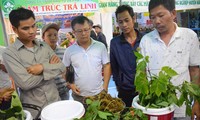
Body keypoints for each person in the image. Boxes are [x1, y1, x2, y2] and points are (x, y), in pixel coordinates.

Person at [139, 0, 200, 119]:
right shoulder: (146, 40)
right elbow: (142, 74)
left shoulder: (189, 36)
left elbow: (195, 71)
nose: (157, 21)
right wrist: (144, 101)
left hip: (182, 105)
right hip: (157, 107)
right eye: (153, 17)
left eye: (161, 15)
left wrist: (197, 102)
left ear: (173, 13)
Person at [2, 7, 65, 118]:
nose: (32, 31)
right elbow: (25, 84)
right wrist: (50, 68)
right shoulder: (10, 53)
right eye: (25, 28)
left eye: (33, 26)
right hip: (34, 110)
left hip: (56, 103)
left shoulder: (44, 46)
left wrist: (42, 67)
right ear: (14, 29)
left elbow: (61, 67)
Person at [62, 16, 111, 105]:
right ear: (74, 32)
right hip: (79, 95)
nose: (84, 33)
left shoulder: (100, 47)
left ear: (90, 29)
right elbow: (64, 69)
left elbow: (107, 66)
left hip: (99, 94)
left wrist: (105, 87)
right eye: (79, 31)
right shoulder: (69, 50)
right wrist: (70, 84)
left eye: (86, 30)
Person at [110, 4, 143, 107]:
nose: (124, 25)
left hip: (144, 88)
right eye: (120, 22)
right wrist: (119, 84)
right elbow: (114, 66)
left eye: (127, 20)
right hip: (125, 90)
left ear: (133, 19)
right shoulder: (115, 43)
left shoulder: (145, 39)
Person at [42, 23, 69, 100]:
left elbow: (68, 69)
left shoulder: (64, 51)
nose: (53, 37)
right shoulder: (40, 54)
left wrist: (68, 84)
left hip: (63, 91)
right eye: (49, 35)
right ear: (43, 37)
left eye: (55, 35)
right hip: (47, 94)